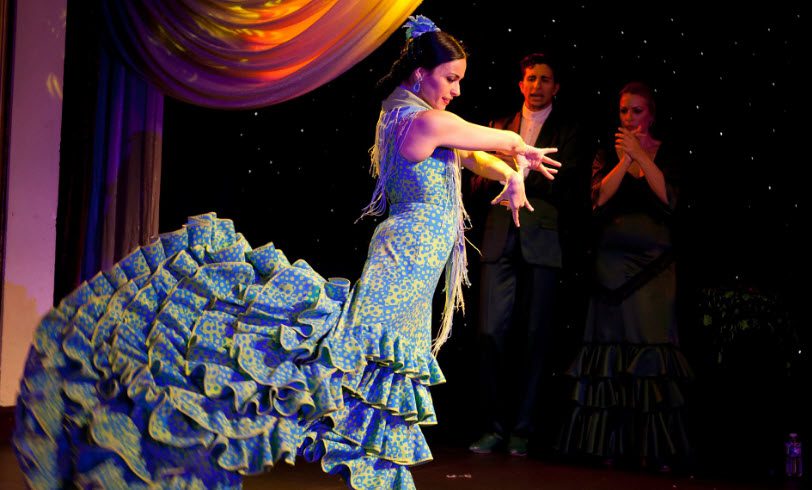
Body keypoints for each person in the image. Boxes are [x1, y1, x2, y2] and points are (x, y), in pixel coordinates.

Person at [12, 16, 561, 490]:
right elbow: (488, 138)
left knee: (377, 377)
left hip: (416, 267)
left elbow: (472, 156)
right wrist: (519, 153)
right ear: (423, 74)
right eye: (452, 79)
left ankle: (382, 473)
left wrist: (510, 175)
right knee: (340, 366)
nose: (457, 90)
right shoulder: (419, 118)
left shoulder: (423, 113)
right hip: (404, 261)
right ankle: (213, 410)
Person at [557, 81, 691, 471]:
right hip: (610, 268)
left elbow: (669, 198)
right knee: (609, 352)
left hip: (654, 267)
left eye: (637, 111)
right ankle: (607, 446)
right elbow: (598, 199)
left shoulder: (668, 153)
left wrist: (641, 157)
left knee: (652, 350)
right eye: (623, 112)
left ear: (651, 114)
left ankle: (655, 449)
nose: (629, 118)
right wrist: (623, 161)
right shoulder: (606, 154)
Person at [468, 53, 590, 457]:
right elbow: (476, 185)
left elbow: (568, 186)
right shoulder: (499, 126)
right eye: (531, 78)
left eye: (545, 79)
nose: (537, 85)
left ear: (556, 87)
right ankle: (493, 427)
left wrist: (514, 166)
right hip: (500, 236)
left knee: (536, 337)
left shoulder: (570, 129)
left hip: (542, 240)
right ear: (521, 84)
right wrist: (501, 169)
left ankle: (522, 429)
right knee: (490, 332)